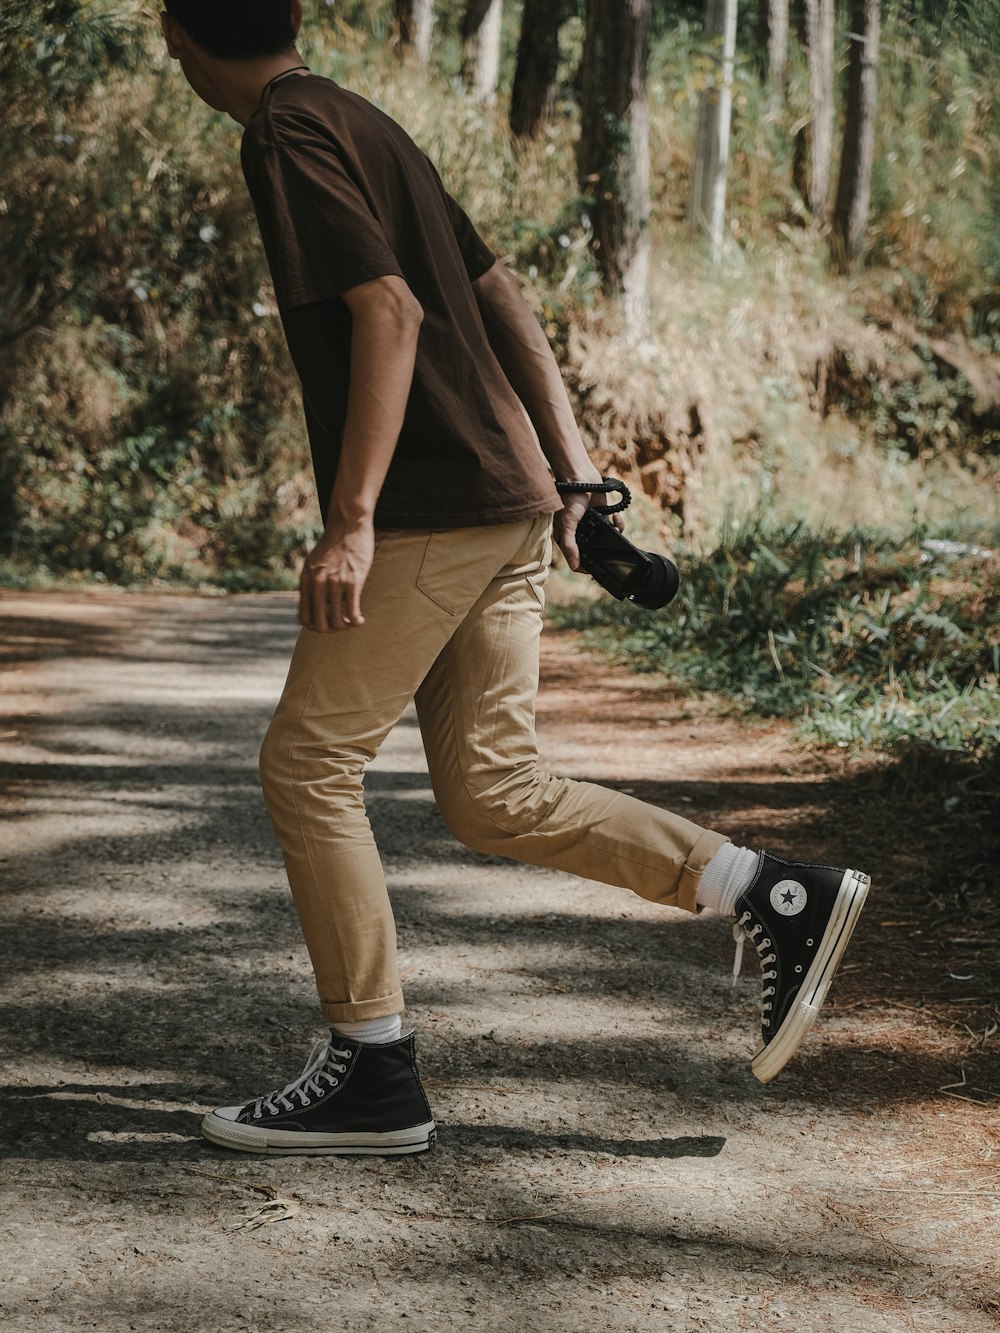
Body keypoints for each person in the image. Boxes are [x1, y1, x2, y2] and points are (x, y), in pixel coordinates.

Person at [160, 0, 870, 1157]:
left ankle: (373, 1069)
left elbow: (387, 313)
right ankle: (767, 889)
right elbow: (499, 291)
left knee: (305, 761)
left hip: (439, 504)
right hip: (511, 494)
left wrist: (350, 522)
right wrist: (576, 480)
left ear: (175, 34)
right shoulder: (360, 118)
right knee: (493, 788)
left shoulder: (286, 133)